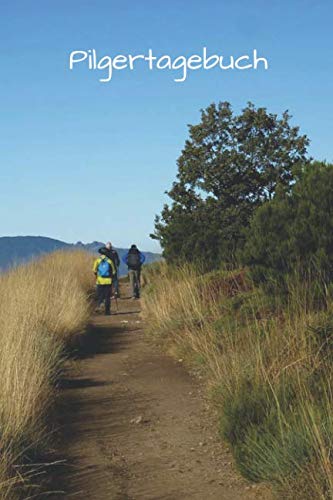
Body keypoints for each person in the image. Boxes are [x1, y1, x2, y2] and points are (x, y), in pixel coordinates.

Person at [93, 248, 116, 315]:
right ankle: (107, 311)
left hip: (100, 281)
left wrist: (97, 275)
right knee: (107, 297)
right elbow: (114, 272)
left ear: (100, 253)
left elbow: (94, 270)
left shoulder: (97, 260)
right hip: (108, 281)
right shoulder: (109, 261)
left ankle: (100, 308)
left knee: (100, 296)